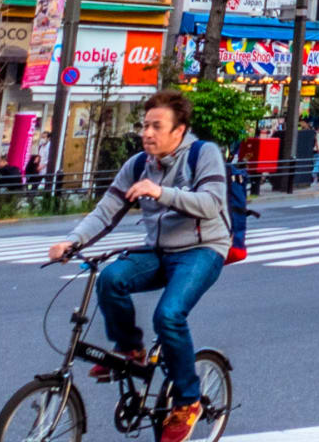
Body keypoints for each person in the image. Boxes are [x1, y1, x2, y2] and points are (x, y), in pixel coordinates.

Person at [47, 91, 232, 442]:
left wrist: (161, 193)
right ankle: (131, 348)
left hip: (202, 249)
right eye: (144, 125)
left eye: (156, 126)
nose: (146, 133)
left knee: (169, 315)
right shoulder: (137, 164)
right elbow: (106, 210)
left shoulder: (202, 154)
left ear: (179, 131)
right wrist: (73, 242)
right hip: (159, 249)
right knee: (111, 278)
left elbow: (211, 203)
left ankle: (187, 401)